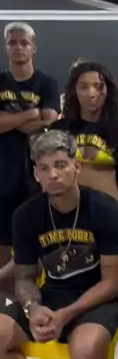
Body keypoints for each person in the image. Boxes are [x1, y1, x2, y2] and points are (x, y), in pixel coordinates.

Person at [0, 130, 118, 359]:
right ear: (36, 174)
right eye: (44, 168)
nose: (53, 174)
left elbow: (113, 282)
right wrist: (33, 307)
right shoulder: (26, 215)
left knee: (84, 352)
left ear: (76, 166)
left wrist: (66, 314)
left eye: (60, 165)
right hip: (52, 295)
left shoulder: (105, 209)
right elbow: (25, 277)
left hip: (99, 298)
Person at [0, 23, 60, 300]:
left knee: (36, 244)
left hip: (36, 175)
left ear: (33, 46)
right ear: (6, 47)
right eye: (12, 42)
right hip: (3, 175)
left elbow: (49, 122)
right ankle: (5, 306)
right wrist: (29, 115)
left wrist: (10, 121)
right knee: (2, 243)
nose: (18, 47)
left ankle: (31, 303)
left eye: (23, 42)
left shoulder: (46, 83)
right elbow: (38, 118)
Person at [50, 61, 118, 227]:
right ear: (74, 90)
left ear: (107, 91)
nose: (92, 93)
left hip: (108, 216)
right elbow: (46, 180)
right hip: (65, 217)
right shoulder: (58, 130)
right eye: (84, 87)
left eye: (98, 86)